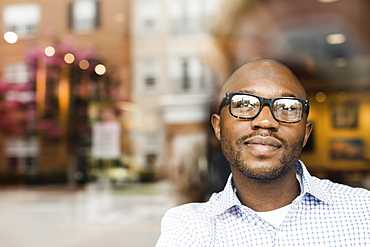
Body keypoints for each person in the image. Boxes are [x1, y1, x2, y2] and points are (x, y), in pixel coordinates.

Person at [155, 59, 370, 246]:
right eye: (245, 104)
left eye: (287, 107)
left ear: (306, 133)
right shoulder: (188, 228)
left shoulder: (363, 212)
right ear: (218, 127)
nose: (265, 121)